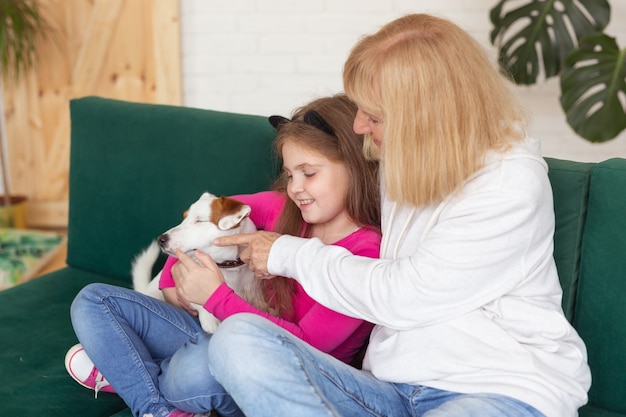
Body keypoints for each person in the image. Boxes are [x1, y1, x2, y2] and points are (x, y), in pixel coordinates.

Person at [203, 13, 592, 417]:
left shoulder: (509, 183)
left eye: (374, 115)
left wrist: (288, 254)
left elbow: (407, 295)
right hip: (389, 388)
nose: (358, 125)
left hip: (495, 389)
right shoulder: (404, 159)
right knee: (239, 339)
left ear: (425, 116)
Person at [66, 94, 381, 417]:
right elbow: (200, 221)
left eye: (309, 173)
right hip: (209, 332)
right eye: (289, 175)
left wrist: (215, 296)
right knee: (93, 301)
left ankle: (131, 369)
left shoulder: (365, 253)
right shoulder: (283, 208)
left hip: (275, 368)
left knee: (190, 374)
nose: (295, 188)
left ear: (355, 165)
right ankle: (159, 409)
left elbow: (304, 345)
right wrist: (177, 286)